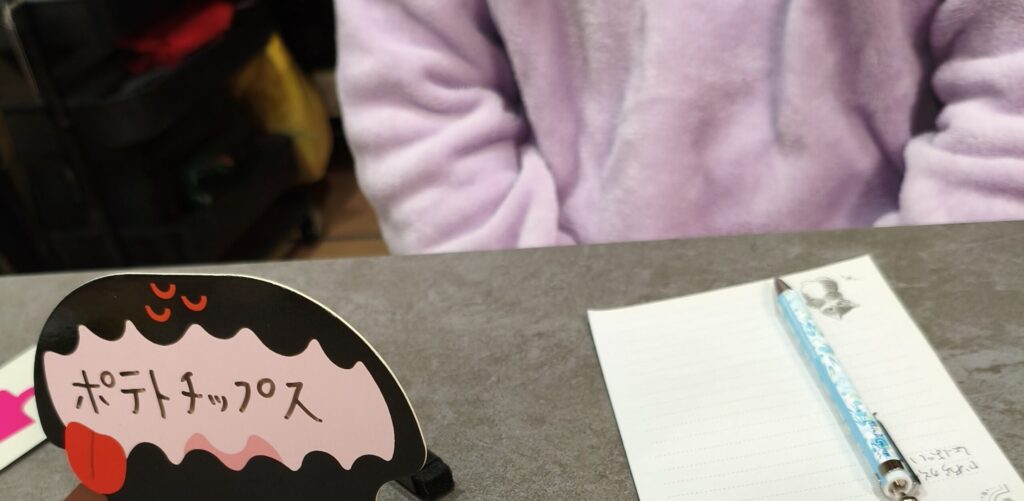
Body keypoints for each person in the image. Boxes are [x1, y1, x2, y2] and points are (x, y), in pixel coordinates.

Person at [333, 2, 1024, 255]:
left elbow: (1006, 102)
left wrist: (915, 294)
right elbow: (417, 102)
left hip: (902, 296)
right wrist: (533, 304)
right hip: (566, 298)